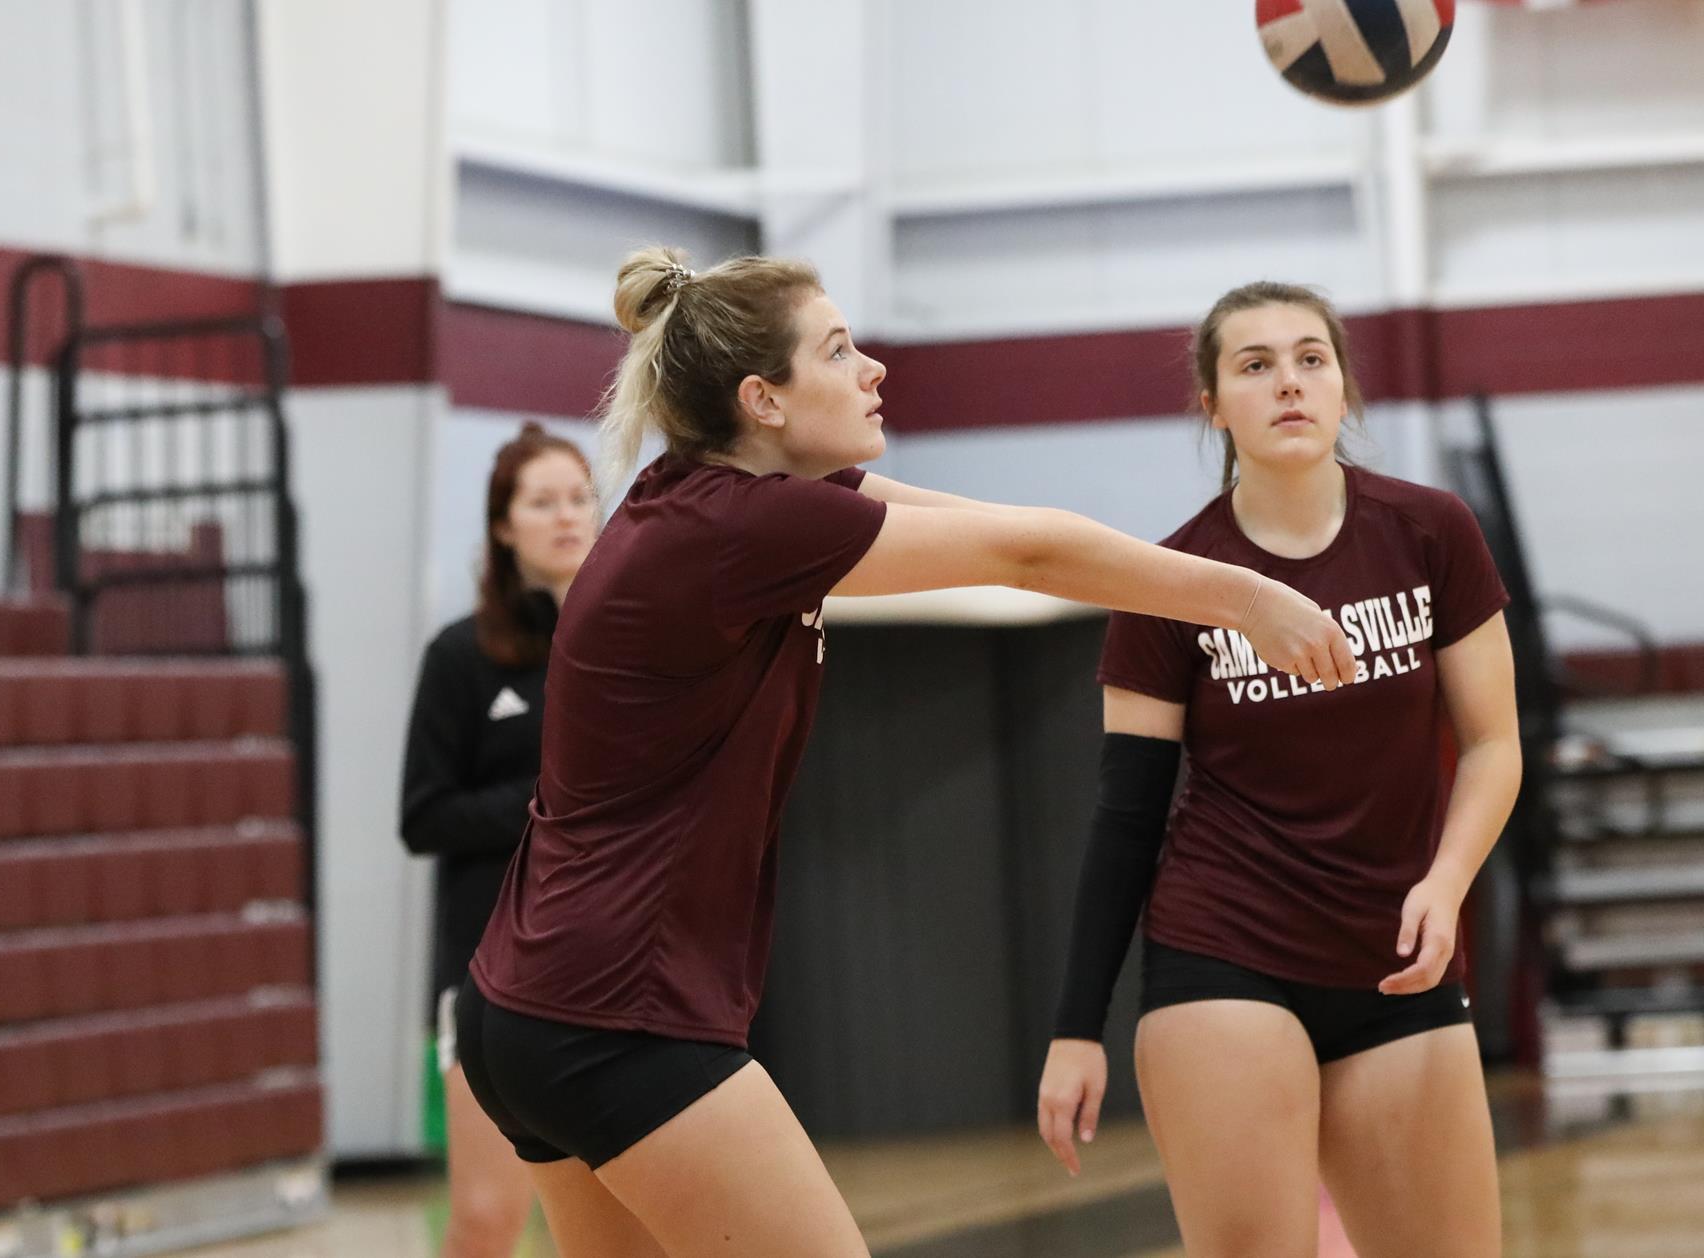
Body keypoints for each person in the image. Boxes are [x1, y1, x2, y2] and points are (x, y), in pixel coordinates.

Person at [455, 247, 1361, 1258]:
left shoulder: (709, 498)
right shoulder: (739, 527)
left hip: (528, 1008)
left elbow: (1005, 530)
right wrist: (1243, 595)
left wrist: (1188, 576)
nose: (872, 368)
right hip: (613, 1012)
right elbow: (1025, 554)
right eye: (838, 350)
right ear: (761, 398)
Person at [1036, 281, 1521, 1258]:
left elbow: (1491, 743)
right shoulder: (1169, 580)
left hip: (1392, 951)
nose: (1287, 383)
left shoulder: (1430, 534)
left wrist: (1445, 879)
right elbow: (1125, 813)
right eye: (1252, 366)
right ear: (1211, 405)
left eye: (1310, 358)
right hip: (1224, 949)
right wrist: (1073, 1026)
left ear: (1343, 388)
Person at [401, 422, 599, 1258]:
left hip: (604, 964)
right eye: (542, 501)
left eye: (581, 497)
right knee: (488, 1218)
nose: (566, 516)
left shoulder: (626, 640)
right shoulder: (461, 657)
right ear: (503, 525)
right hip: (491, 969)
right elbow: (424, 815)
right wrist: (548, 801)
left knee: (607, 1218)